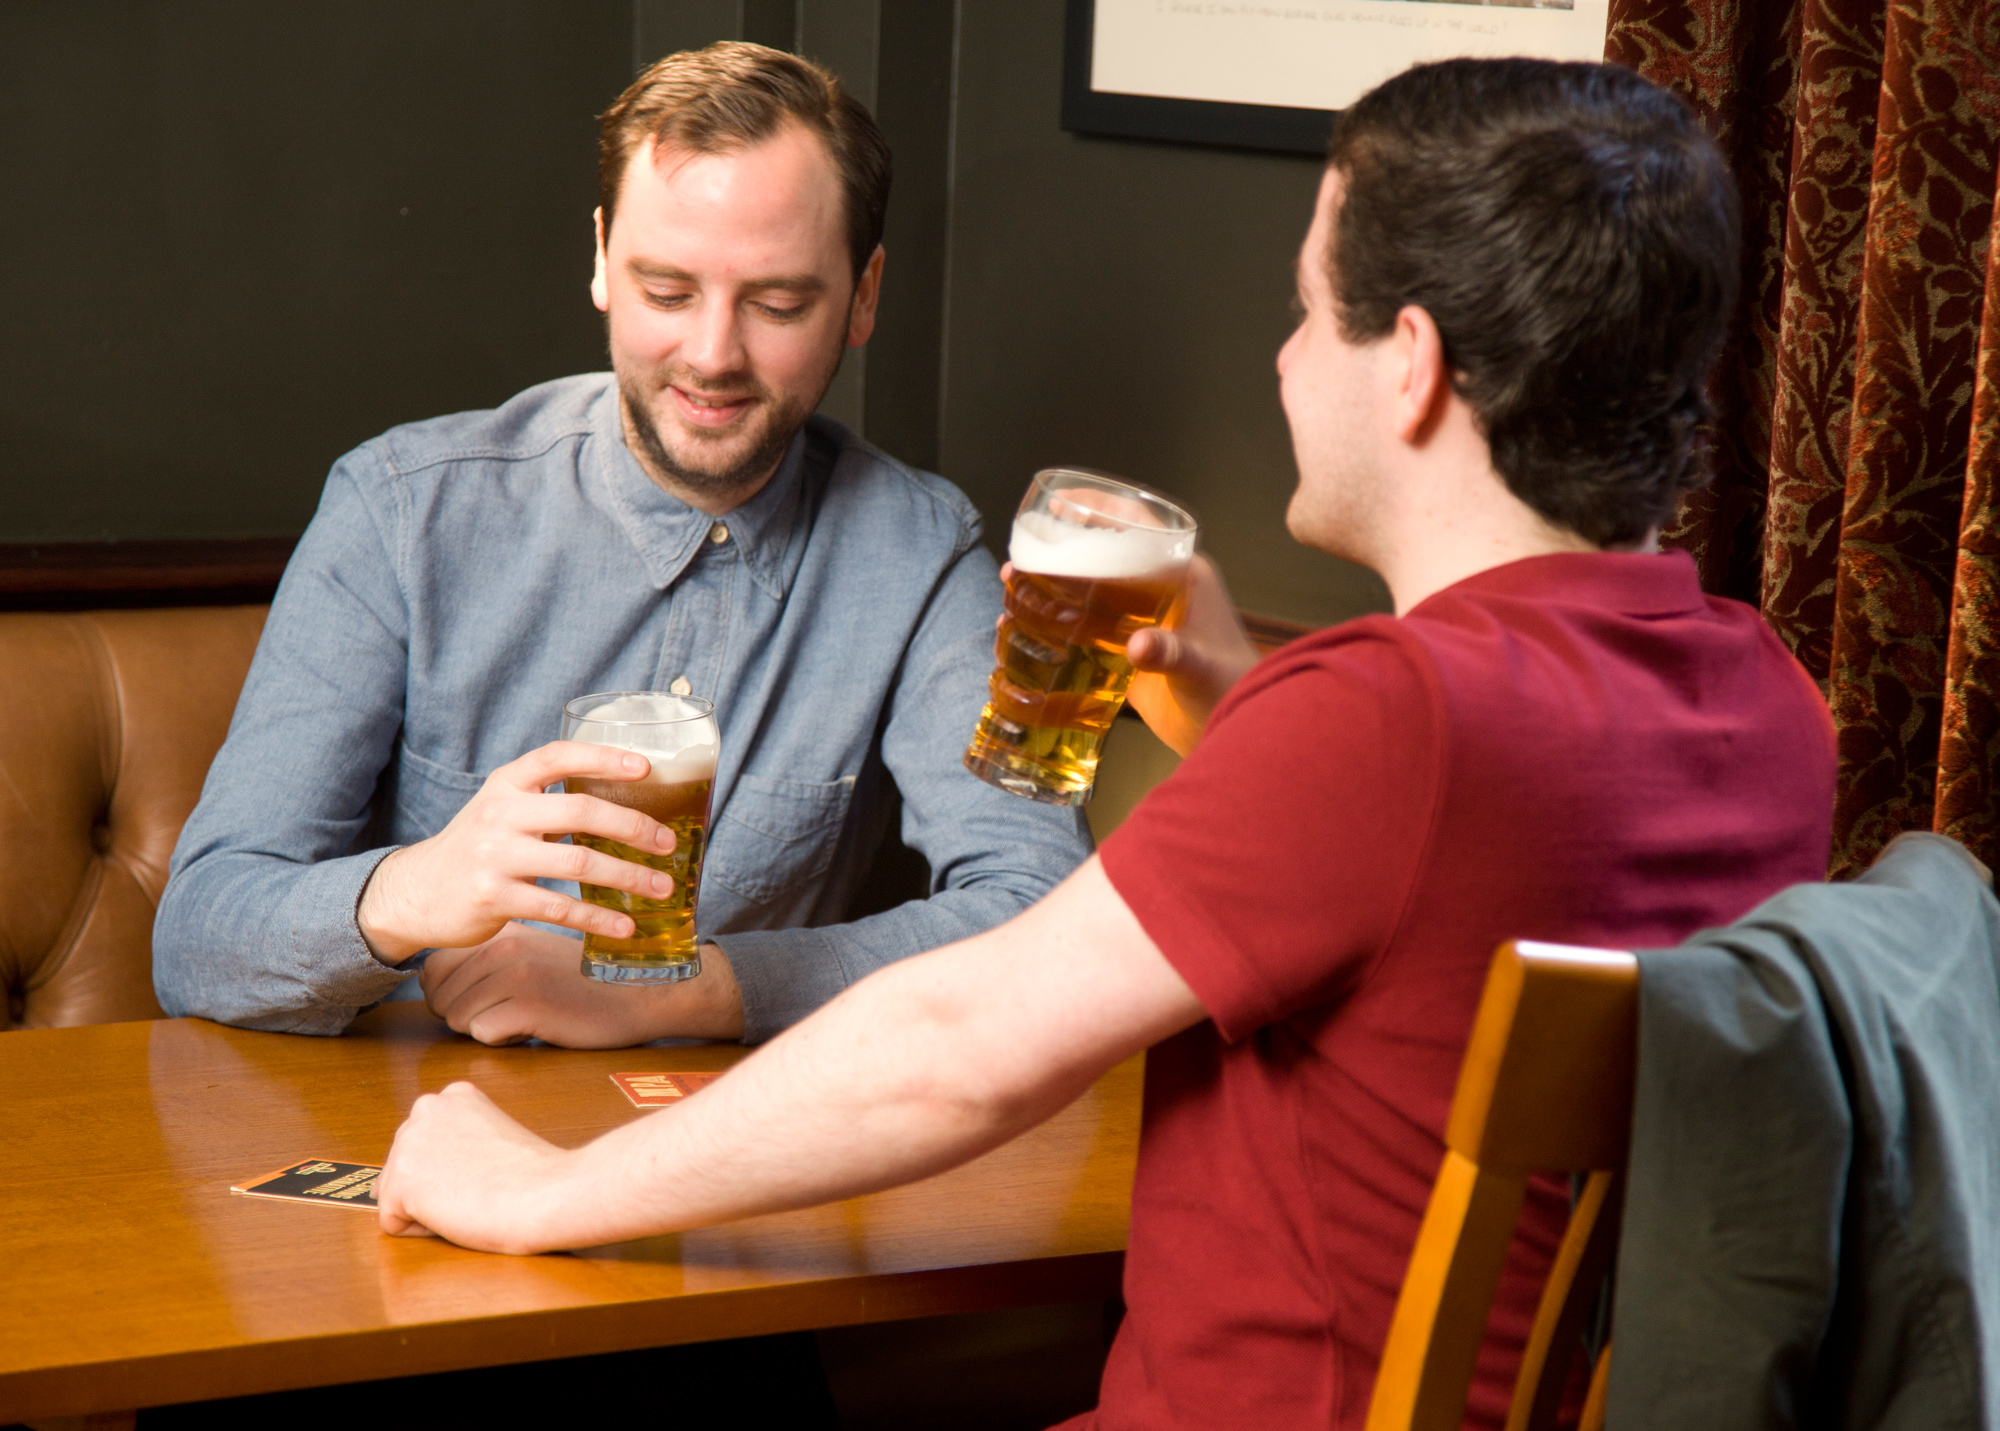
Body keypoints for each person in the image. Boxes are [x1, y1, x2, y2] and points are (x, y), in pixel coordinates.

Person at [373, 57, 1840, 1430]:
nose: (1280, 365)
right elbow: (1443, 904)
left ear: (1411, 364)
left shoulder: (1384, 719)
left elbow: (956, 1052)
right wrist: (1244, 714)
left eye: (1305, 311)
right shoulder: (1770, 699)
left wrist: (542, 1189)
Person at [154, 42, 1091, 1048]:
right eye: (667, 290)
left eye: (777, 303)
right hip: (389, 1141)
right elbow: (198, 939)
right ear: (601, 259)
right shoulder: (401, 510)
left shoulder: (919, 557)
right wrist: (412, 891)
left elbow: (1042, 914)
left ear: (863, 296)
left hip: (722, 1161)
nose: (712, 354)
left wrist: (692, 989)